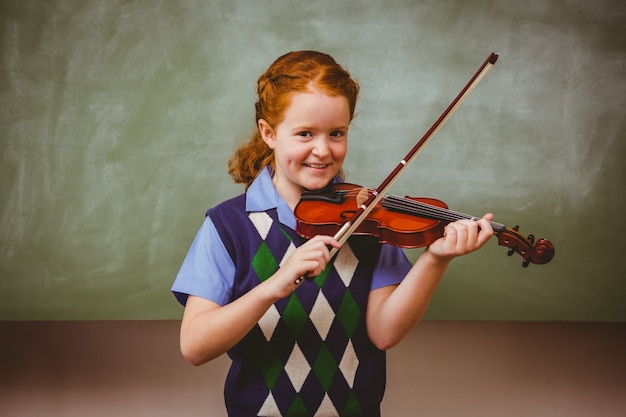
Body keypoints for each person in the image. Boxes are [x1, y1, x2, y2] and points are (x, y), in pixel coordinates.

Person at [172, 50, 494, 416]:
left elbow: (384, 332)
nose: (322, 150)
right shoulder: (227, 227)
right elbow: (195, 346)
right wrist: (276, 285)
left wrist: (437, 258)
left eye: (336, 133)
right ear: (269, 133)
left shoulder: (369, 220)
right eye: (305, 133)